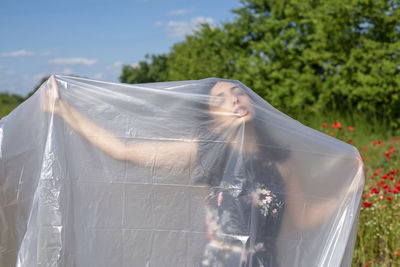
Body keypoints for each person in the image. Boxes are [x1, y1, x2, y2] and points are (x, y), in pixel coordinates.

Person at [43, 75, 362, 267]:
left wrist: (348, 189)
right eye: (220, 98)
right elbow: (124, 151)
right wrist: (64, 109)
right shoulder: (205, 151)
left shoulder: (279, 161)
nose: (234, 99)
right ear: (211, 116)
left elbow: (303, 219)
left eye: (237, 92)